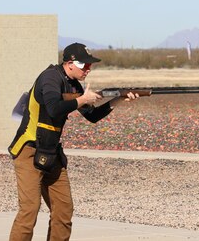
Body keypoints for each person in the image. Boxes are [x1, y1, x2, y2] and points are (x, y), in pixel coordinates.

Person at [8, 43, 138, 241]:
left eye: (89, 65)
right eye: (84, 65)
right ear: (69, 64)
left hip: (51, 153)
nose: (88, 69)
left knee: (63, 211)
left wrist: (117, 100)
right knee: (29, 211)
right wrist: (82, 100)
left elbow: (92, 116)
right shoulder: (50, 77)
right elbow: (53, 107)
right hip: (29, 150)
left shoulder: (74, 85)